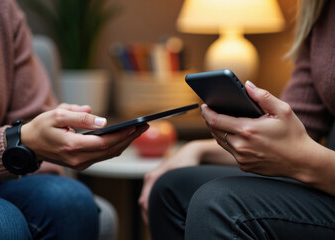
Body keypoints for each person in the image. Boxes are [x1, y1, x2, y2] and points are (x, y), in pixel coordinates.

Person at [139, 0, 335, 239]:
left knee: (218, 203)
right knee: (170, 188)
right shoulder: (321, 9)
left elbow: (297, 151)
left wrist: (305, 162)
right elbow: (300, 128)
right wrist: (197, 149)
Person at [0, 0, 148, 239]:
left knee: (71, 202)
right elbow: (24, 136)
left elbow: (32, 115)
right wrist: (15, 143)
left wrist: (48, 139)